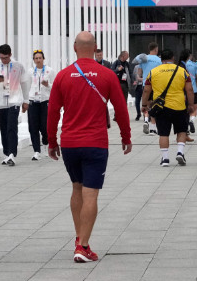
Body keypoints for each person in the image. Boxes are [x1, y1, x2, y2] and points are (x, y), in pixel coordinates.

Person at [48, 32, 133, 263]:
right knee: (91, 192)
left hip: (70, 143)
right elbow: (121, 109)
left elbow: (53, 112)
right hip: (95, 142)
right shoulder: (106, 74)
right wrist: (126, 136)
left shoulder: (63, 76)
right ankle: (83, 246)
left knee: (77, 188)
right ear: (96, 48)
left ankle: (79, 239)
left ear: (74, 47)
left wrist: (51, 141)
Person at [143, 49, 197, 166]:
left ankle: (165, 159)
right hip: (179, 106)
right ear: (173, 58)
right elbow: (189, 89)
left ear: (161, 58)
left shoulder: (153, 72)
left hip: (161, 108)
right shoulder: (182, 71)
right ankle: (180, 153)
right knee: (181, 131)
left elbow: (147, 90)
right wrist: (191, 105)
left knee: (163, 133)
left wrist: (144, 105)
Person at [0, 44, 31, 166]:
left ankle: (12, 154)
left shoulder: (18, 66)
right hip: (0, 103)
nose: (4, 60)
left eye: (6, 57)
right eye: (2, 58)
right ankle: (7, 153)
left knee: (12, 127)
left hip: (14, 101)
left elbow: (24, 83)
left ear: (10, 55)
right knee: (3, 129)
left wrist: (26, 100)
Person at [28, 50, 56, 161]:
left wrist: (47, 84)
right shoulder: (30, 71)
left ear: (43, 59)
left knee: (44, 126)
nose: (38, 60)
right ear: (34, 60)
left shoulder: (50, 71)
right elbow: (26, 86)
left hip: (45, 101)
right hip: (33, 100)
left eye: (40, 58)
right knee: (33, 127)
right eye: (36, 58)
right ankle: (36, 150)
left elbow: (55, 86)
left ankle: (45, 143)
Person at [134, 42, 162, 133]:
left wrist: (141, 77)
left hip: (145, 84)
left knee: (146, 104)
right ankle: (153, 127)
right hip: (156, 84)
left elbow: (139, 71)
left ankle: (146, 120)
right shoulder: (159, 60)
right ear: (156, 49)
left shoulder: (144, 58)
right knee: (154, 105)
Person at [183, 49, 197, 138]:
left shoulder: (181, 65)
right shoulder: (195, 65)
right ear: (190, 56)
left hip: (183, 90)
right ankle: (192, 120)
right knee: (194, 109)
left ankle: (186, 127)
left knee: (185, 110)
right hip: (193, 90)